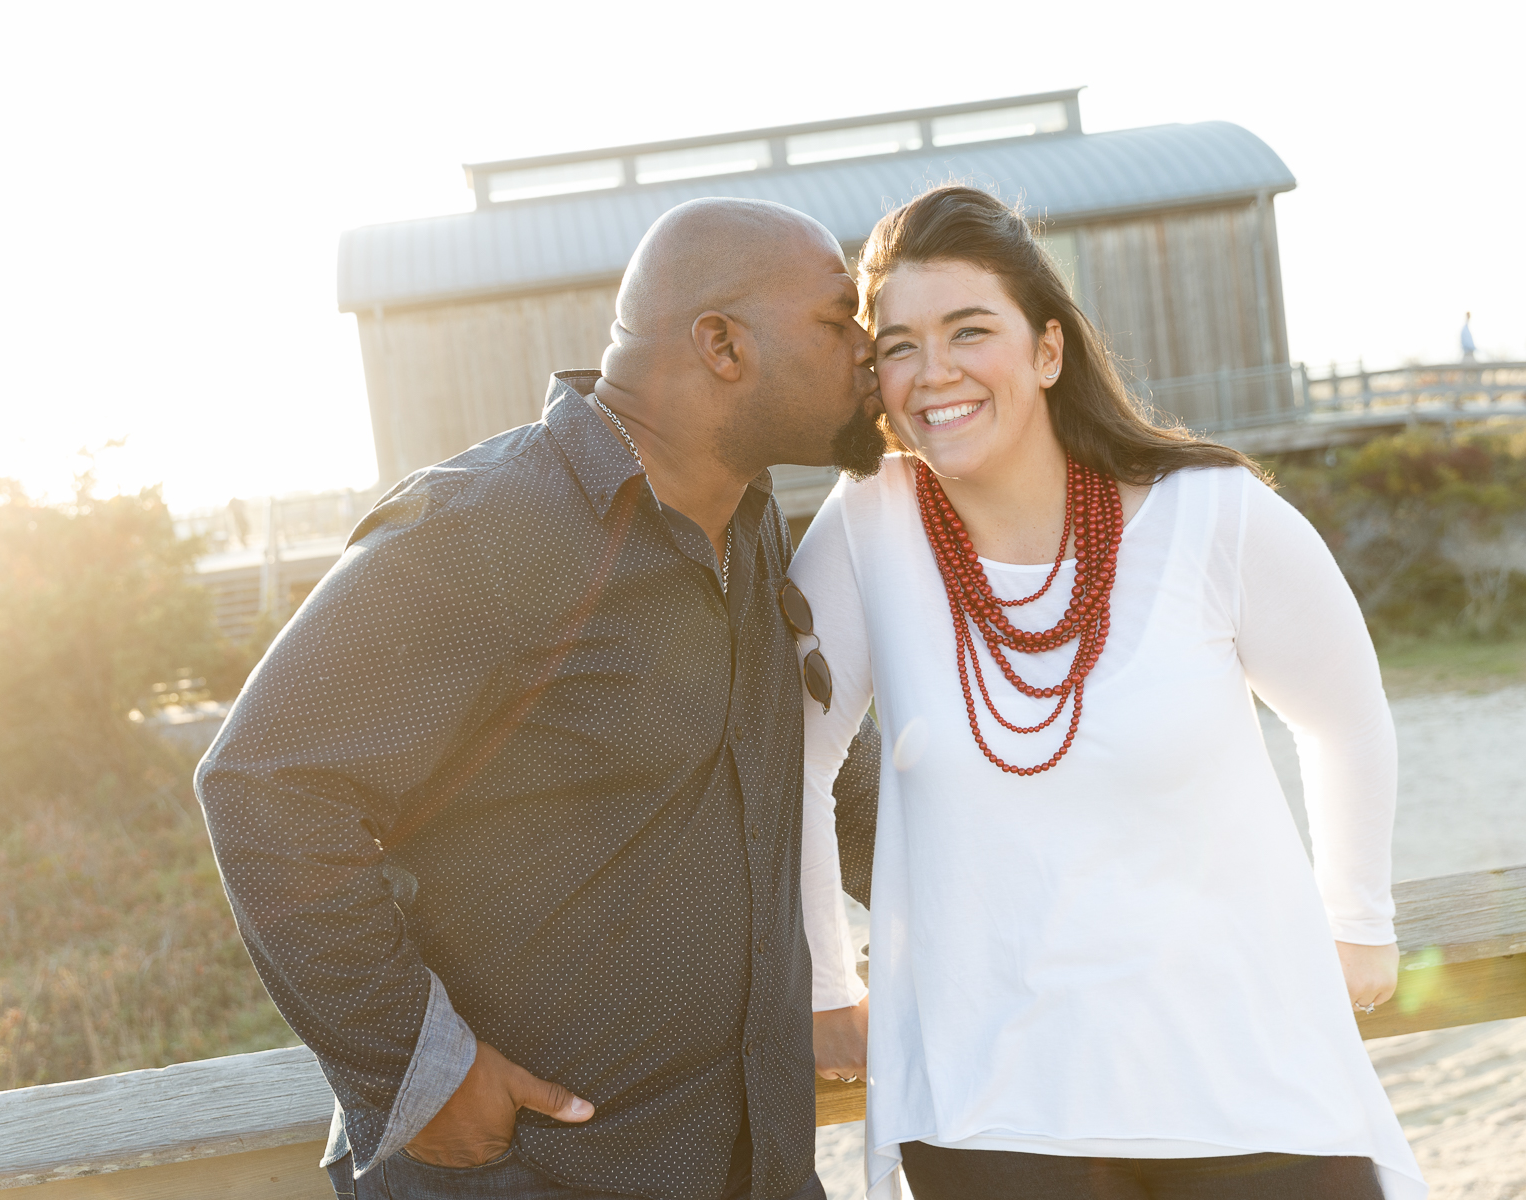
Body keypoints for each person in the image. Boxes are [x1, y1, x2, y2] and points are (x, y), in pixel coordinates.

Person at [195, 196, 888, 1200]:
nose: (869, 351)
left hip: (750, 1163)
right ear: (722, 345)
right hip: (535, 1175)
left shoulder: (751, 530)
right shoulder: (486, 528)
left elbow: (813, 765)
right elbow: (266, 786)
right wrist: (417, 1070)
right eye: (838, 319)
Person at [793, 186, 1426, 1200]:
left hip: (1245, 1076)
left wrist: (1357, 923)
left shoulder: (1209, 514)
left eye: (969, 330)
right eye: (900, 344)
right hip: (994, 1104)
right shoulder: (870, 529)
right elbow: (794, 756)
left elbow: (1345, 713)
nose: (934, 371)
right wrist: (829, 984)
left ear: (1047, 351)